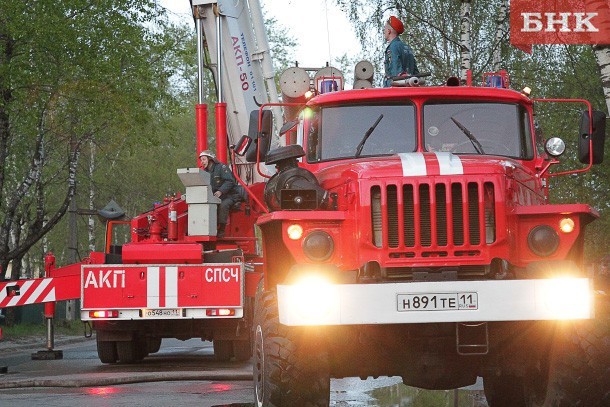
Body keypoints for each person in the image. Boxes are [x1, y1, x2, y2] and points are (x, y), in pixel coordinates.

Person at [198, 150, 242, 238]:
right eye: (201, 160)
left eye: (204, 159)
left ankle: (222, 229)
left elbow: (230, 181)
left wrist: (220, 191)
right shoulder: (205, 172)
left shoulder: (221, 167)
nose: (202, 162)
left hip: (229, 196)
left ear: (210, 159)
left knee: (223, 205)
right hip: (214, 197)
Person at [383, 15, 419, 87]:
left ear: (389, 31)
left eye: (384, 29)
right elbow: (416, 72)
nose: (383, 32)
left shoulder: (393, 47)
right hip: (410, 88)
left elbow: (395, 69)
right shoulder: (407, 47)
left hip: (396, 90)